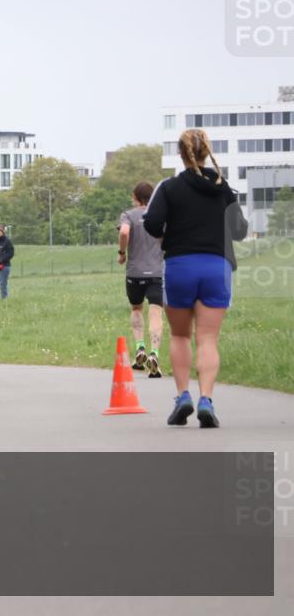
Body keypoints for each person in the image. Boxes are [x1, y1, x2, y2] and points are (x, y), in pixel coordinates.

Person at [143, 128, 248, 428]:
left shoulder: (169, 187)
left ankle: (183, 396)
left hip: (180, 266)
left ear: (181, 153)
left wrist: (169, 235)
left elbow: (151, 222)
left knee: (179, 335)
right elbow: (239, 230)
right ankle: (206, 400)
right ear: (207, 152)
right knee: (208, 338)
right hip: (217, 267)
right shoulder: (223, 187)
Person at [119, 182, 165, 378]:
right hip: (156, 272)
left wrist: (122, 253)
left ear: (135, 197)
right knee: (156, 313)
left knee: (136, 308)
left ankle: (140, 348)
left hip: (134, 273)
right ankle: (154, 353)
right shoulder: (160, 215)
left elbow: (124, 232)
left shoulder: (128, 215)